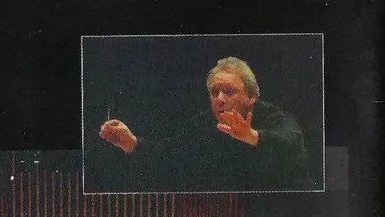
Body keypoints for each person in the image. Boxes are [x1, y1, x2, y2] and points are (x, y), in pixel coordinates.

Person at [97, 57, 310, 191]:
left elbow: (292, 143)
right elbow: (170, 155)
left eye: (229, 91)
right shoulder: (201, 124)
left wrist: (252, 137)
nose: (220, 99)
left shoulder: (274, 116)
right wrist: (133, 144)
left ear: (252, 96)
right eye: (214, 92)